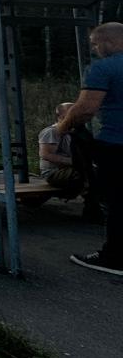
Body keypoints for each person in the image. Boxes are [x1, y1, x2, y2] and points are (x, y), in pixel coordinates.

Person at [58, 22, 123, 275]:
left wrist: (63, 126)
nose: (95, 49)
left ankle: (115, 258)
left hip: (116, 145)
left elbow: (85, 109)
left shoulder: (103, 68)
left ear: (108, 42)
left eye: (96, 44)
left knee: (118, 201)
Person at [39, 102, 87, 196]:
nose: (75, 115)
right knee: (86, 173)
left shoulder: (74, 133)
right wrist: (75, 162)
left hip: (70, 169)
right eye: (71, 112)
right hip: (54, 173)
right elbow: (46, 154)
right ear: (60, 116)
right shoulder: (51, 132)